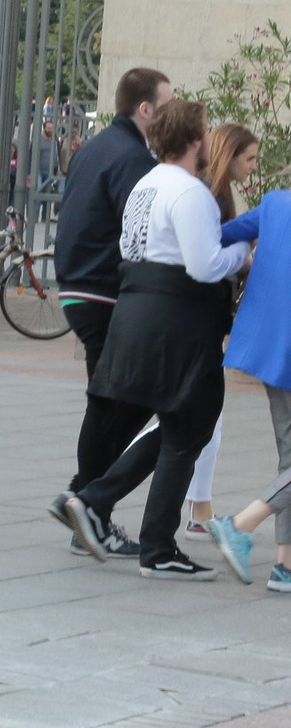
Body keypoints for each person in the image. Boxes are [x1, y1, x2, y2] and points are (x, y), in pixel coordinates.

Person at [52, 100, 249, 578]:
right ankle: (152, 542)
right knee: (191, 423)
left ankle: (98, 503)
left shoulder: (146, 183)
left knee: (179, 425)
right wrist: (242, 253)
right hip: (177, 318)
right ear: (197, 140)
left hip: (137, 307)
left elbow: (131, 245)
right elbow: (204, 264)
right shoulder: (189, 192)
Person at [50, 65, 173, 558]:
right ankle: (87, 502)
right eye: (167, 108)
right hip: (105, 289)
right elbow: (141, 230)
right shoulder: (133, 159)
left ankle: (85, 504)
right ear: (145, 110)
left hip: (80, 285)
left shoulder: (98, 146)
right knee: (123, 398)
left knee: (114, 399)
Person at [191, 143, 291, 590]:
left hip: (269, 347)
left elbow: (221, 234)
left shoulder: (274, 204)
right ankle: (241, 525)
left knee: (290, 456)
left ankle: (285, 565)